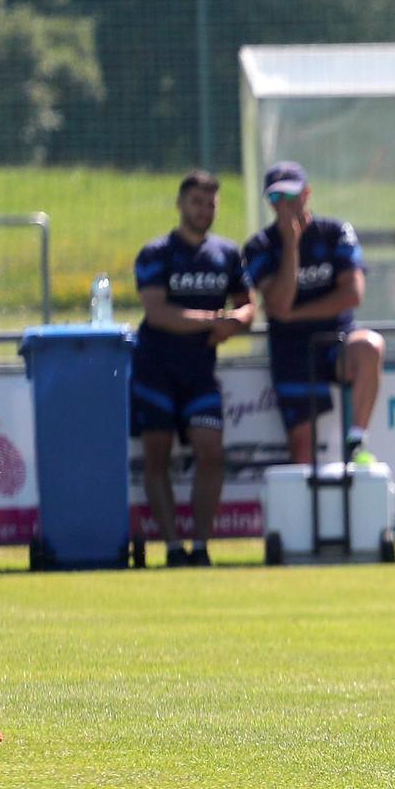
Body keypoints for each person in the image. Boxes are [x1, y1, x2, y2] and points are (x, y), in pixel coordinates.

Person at [131, 170, 254, 565]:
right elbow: (158, 313)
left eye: (211, 204)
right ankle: (171, 547)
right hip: (156, 370)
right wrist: (211, 321)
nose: (204, 210)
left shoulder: (227, 254)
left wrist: (236, 322)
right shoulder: (155, 253)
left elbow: (249, 305)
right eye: (197, 202)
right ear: (180, 204)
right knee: (157, 457)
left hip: (201, 373)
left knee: (210, 451)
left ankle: (201, 546)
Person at [242, 162, 386, 465]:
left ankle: (357, 439)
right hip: (291, 351)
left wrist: (295, 314)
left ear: (307, 194)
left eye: (291, 196)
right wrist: (291, 246)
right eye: (276, 199)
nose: (285, 205)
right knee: (302, 446)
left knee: (370, 346)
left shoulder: (335, 232)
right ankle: (305, 511)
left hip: (337, 341)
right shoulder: (260, 246)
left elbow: (352, 294)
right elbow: (279, 305)